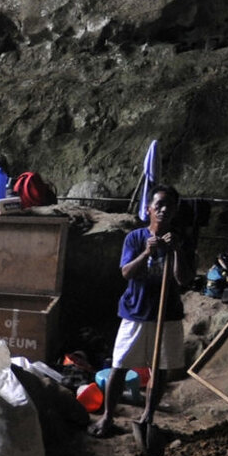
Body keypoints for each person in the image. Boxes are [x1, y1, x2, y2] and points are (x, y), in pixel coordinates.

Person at [90, 186, 193, 440]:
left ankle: (148, 415)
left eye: (169, 205)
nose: (164, 209)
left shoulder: (180, 240)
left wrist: (177, 250)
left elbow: (184, 280)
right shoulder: (136, 238)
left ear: (176, 211)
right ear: (149, 210)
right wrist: (147, 252)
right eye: (158, 205)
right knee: (120, 364)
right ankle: (107, 417)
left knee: (160, 368)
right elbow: (126, 273)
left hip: (166, 315)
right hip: (136, 311)